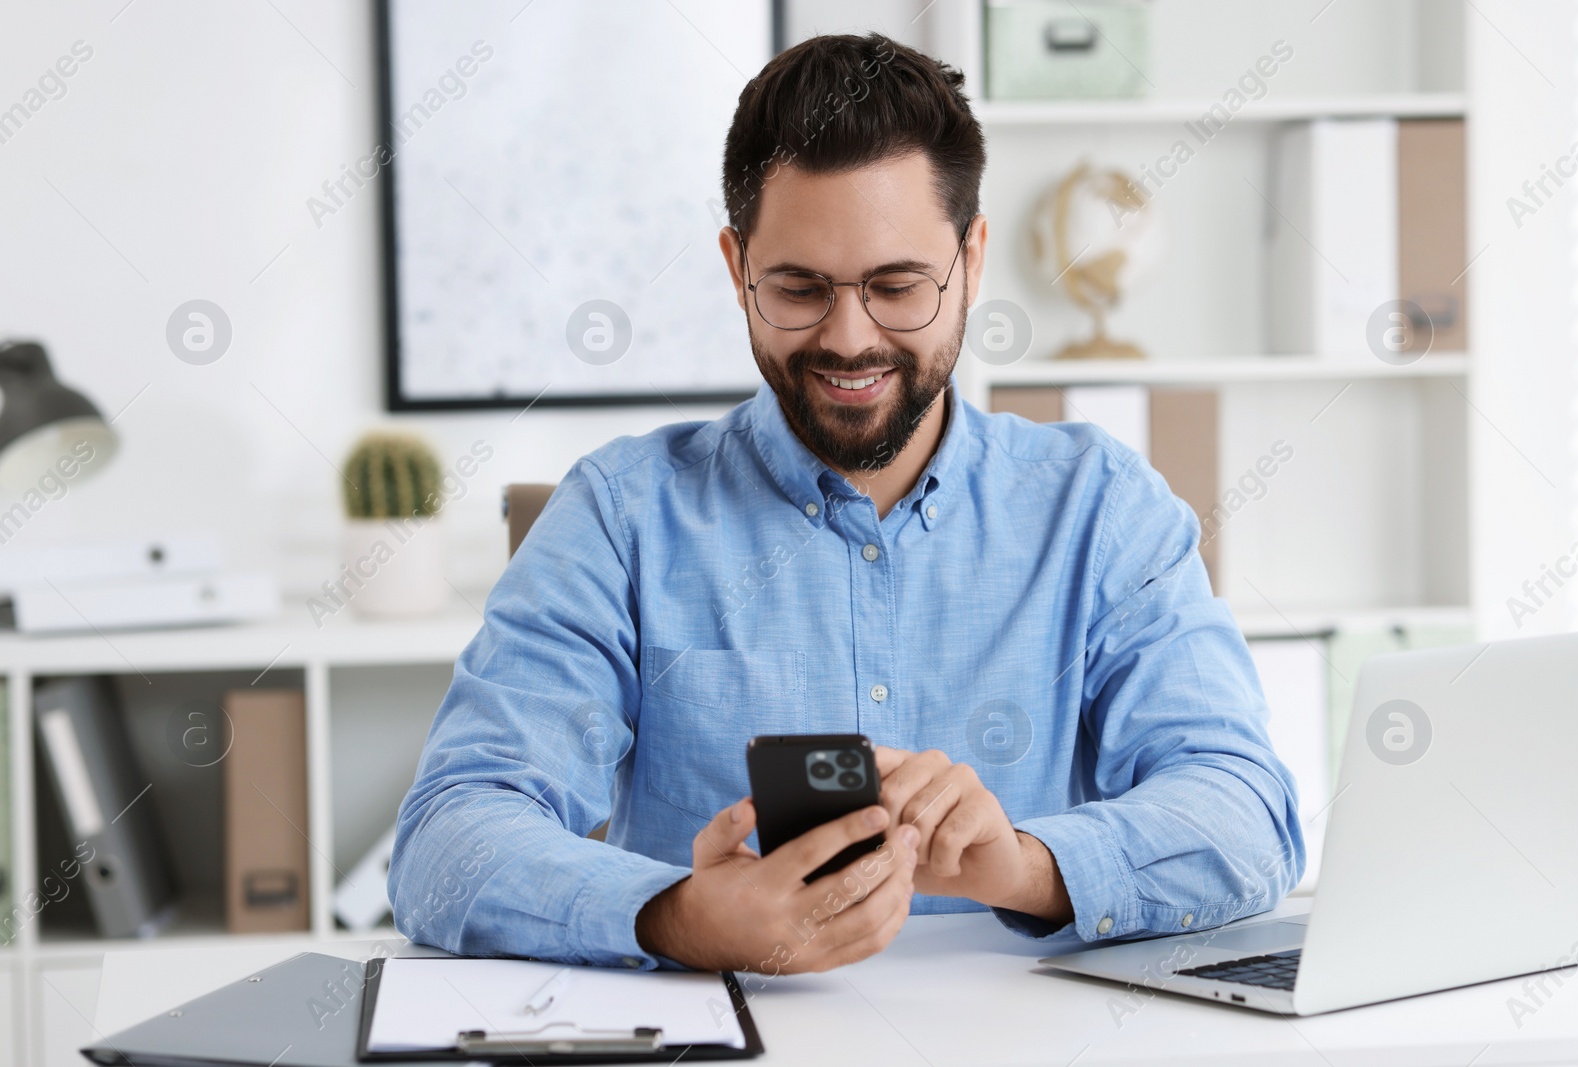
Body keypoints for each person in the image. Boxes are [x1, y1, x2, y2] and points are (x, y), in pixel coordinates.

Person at [389, 32, 1304, 974]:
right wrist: (677, 915)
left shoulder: (1101, 509)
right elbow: (448, 836)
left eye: (897, 285)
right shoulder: (620, 518)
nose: (849, 337)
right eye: (799, 288)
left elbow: (1245, 812)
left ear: (972, 260)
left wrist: (1027, 867)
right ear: (738, 268)